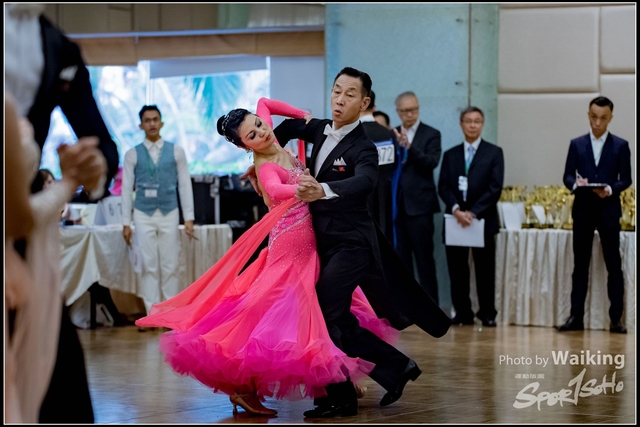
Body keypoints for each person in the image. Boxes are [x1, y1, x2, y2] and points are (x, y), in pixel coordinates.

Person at [135, 97, 400, 416]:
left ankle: (335, 375)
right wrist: (304, 188)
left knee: (319, 310)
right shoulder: (265, 165)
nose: (261, 132)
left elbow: (264, 102)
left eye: (259, 125)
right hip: (289, 246)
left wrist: (301, 113)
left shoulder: (268, 133)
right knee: (275, 313)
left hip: (310, 244)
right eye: (252, 135)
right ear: (244, 146)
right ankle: (245, 386)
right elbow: (274, 190)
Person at [273, 67, 452, 418]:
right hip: (322, 242)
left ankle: (342, 396)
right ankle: (396, 367)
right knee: (337, 318)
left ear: (364, 103)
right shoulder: (320, 128)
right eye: (336, 90)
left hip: (352, 244)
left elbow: (366, 181)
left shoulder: (364, 146)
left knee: (323, 311)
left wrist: (322, 189)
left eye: (349, 94)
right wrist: (263, 158)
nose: (340, 99)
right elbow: (285, 128)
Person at [5, 4, 119, 423]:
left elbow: (101, 144)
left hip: (26, 240)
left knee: (61, 391)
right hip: (20, 221)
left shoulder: (59, 48)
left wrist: (93, 169)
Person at [557, 96, 632, 334]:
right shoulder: (577, 144)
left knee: (613, 264)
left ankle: (616, 319)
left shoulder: (620, 145)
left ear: (610, 118)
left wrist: (609, 189)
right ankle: (576, 316)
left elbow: (626, 179)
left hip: (608, 209)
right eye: (594, 117)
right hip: (584, 209)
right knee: (580, 264)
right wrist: (576, 184)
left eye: (603, 118)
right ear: (588, 115)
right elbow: (567, 175)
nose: (597, 122)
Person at [121, 105, 196, 314]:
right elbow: (126, 189)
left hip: (169, 211)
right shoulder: (132, 154)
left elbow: (184, 185)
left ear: (161, 123)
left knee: (170, 264)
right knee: (148, 264)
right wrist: (125, 222)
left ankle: (169, 312)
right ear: (141, 125)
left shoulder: (177, 151)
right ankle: (152, 313)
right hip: (142, 213)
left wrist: (189, 217)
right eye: (147, 120)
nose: (152, 124)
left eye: (155, 119)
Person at [438, 106, 504, 328]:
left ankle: (487, 313)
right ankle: (462, 312)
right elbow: (443, 187)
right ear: (461, 124)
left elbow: (495, 187)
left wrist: (473, 212)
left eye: (477, 121)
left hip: (482, 220)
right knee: (457, 270)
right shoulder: (451, 154)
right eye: (468, 121)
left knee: (485, 269)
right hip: (455, 220)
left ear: (482, 124)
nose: (472, 125)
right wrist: (457, 209)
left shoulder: (494, 152)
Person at [392, 91, 442, 304]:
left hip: (420, 207)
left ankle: (432, 309)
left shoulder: (431, 134)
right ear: (398, 112)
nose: (409, 114)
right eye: (405, 111)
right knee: (402, 263)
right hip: (397, 206)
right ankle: (407, 309)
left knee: (424, 261)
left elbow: (430, 163)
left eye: (413, 109)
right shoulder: (392, 133)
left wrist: (409, 148)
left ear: (418, 109)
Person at [360, 90, 401, 243]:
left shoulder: (354, 136)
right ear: (374, 106)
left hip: (361, 205)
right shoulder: (389, 135)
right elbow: (394, 167)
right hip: (386, 202)